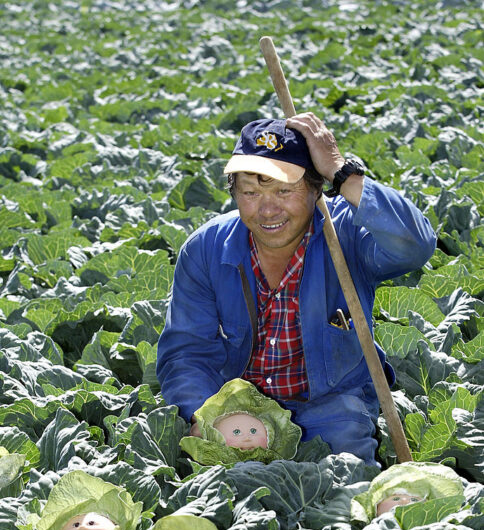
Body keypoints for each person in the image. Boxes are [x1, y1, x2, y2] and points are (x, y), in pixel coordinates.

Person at [156, 114, 436, 464]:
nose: (268, 209)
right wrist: (207, 415)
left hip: (330, 405)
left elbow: (415, 245)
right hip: (238, 411)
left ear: (316, 189)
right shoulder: (205, 249)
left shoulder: (344, 234)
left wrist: (340, 169)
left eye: (284, 190)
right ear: (234, 193)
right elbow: (185, 353)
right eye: (251, 192)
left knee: (347, 480)